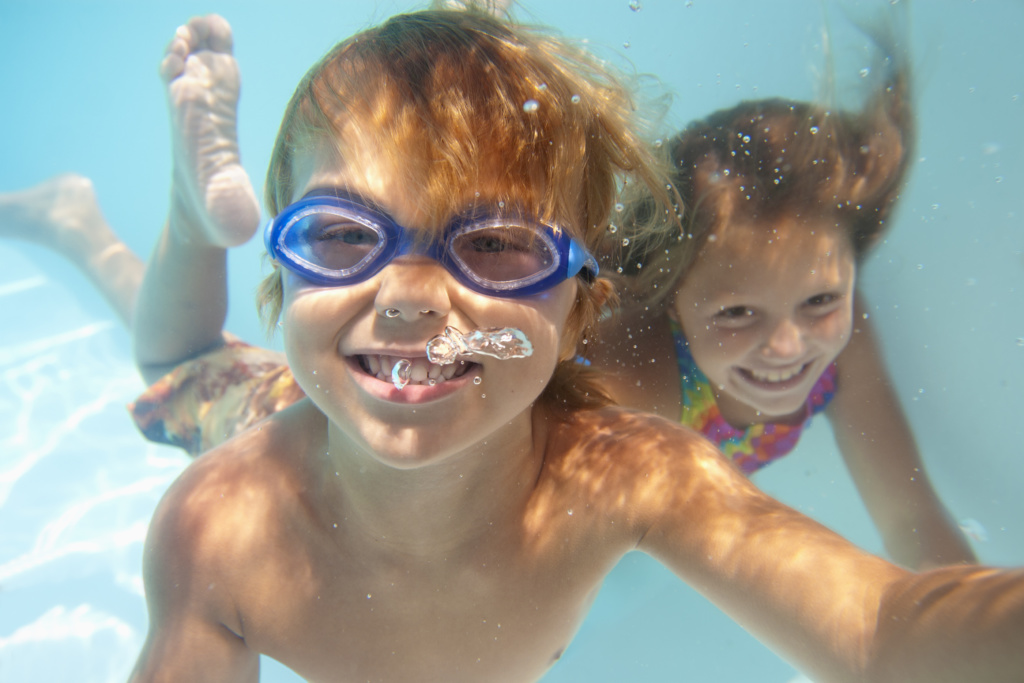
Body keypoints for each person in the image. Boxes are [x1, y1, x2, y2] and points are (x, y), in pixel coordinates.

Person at [109, 6, 1024, 682]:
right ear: (286, 276)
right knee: (178, 362)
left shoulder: (625, 470)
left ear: (583, 308)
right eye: (344, 234)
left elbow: (878, 624)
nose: (414, 298)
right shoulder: (221, 528)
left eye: (499, 246)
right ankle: (194, 219)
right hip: (272, 409)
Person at [590, 25, 976, 570]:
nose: (788, 344)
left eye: (820, 299)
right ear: (673, 296)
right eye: (738, 312)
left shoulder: (844, 337)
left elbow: (910, 519)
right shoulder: (639, 378)